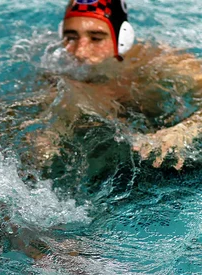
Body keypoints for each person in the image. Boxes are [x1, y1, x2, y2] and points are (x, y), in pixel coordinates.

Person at [27, 0, 202, 170]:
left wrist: (185, 131)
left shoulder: (159, 62)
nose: (80, 51)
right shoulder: (58, 74)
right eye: (71, 37)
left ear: (123, 39)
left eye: (96, 38)